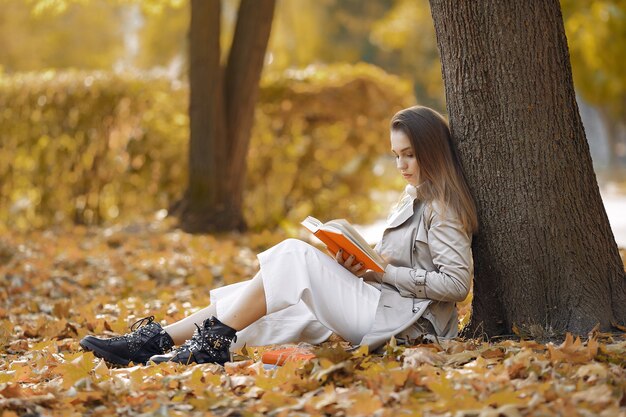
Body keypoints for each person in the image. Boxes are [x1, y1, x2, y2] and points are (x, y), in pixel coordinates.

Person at [79, 105, 478, 366]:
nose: (402, 165)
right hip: (381, 303)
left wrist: (382, 273)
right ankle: (156, 344)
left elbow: (457, 284)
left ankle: (210, 346)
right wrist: (360, 263)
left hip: (405, 325)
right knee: (257, 300)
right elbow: (395, 264)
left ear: (432, 150)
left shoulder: (443, 206)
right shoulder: (413, 196)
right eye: (396, 156)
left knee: (292, 254)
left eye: (409, 154)